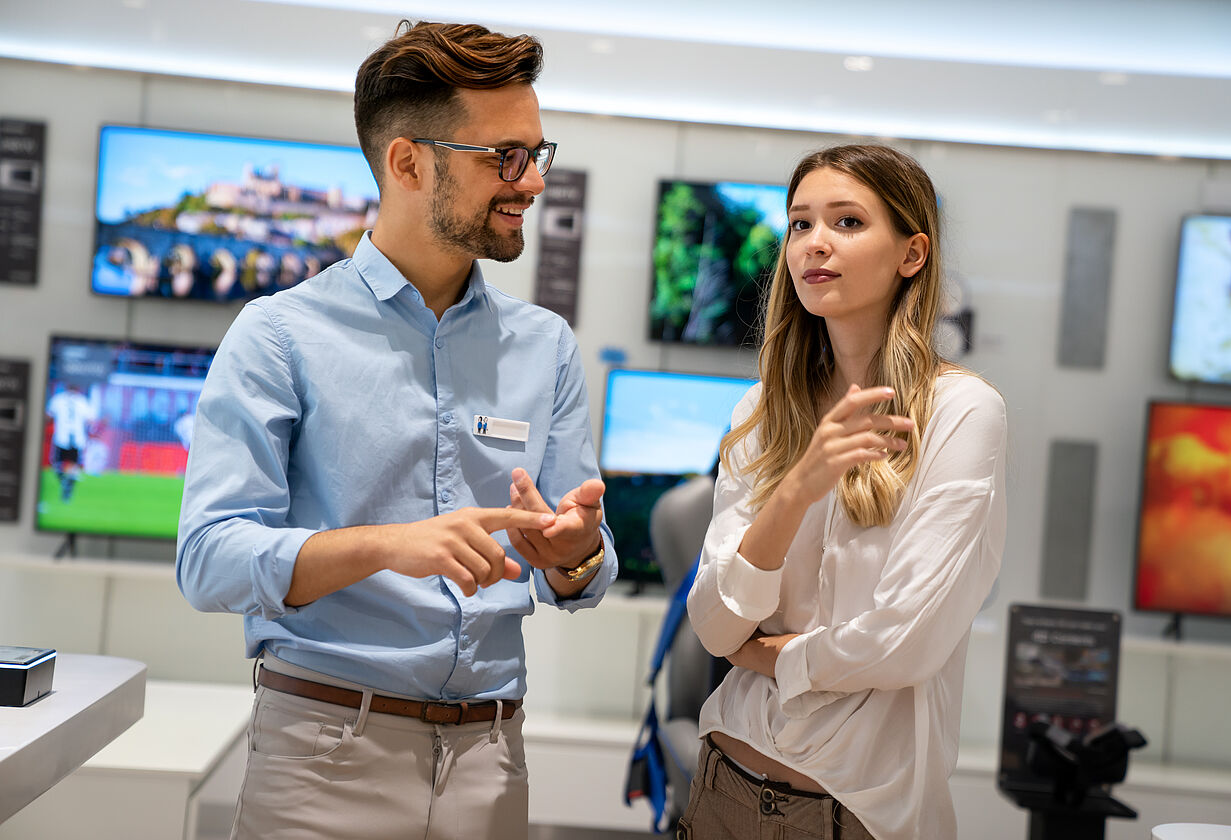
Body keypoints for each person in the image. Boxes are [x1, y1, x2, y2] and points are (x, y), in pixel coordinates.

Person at [176, 19, 616, 840]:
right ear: (407, 162)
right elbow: (208, 558)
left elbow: (585, 559)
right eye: (504, 158)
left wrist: (573, 553)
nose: (530, 182)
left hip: (492, 758)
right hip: (324, 755)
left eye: (536, 154)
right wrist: (386, 544)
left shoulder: (546, 346)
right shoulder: (280, 335)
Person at [683, 144, 1006, 840]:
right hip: (723, 786)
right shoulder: (761, 409)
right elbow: (712, 623)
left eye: (848, 222)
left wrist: (768, 654)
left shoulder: (963, 412)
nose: (813, 244)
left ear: (911, 253)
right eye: (800, 224)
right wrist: (799, 486)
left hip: (856, 812)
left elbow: (903, 643)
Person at [45, 383, 96, 502]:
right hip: (77, 438)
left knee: (57, 464)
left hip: (61, 437)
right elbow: (90, 420)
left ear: (67, 387)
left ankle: (64, 482)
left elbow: (49, 416)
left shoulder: (58, 399)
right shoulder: (82, 401)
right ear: (77, 388)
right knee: (74, 465)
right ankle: (68, 488)